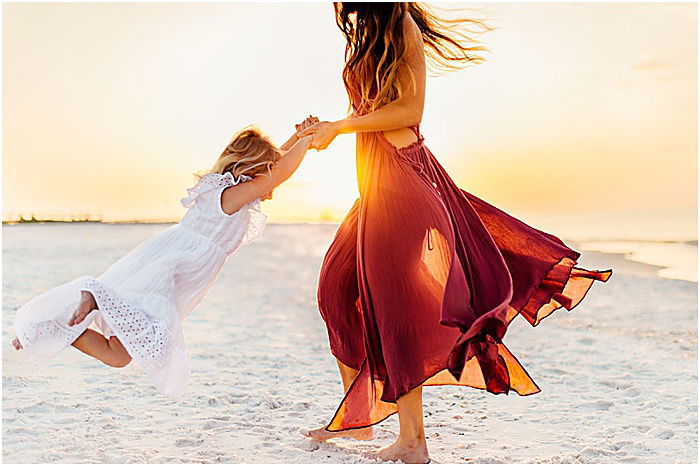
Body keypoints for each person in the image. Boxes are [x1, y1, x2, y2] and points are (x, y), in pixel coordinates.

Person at [300, 3, 612, 463]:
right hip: (374, 185)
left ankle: (413, 442)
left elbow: (410, 110)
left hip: (402, 180)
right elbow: (369, 109)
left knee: (394, 305)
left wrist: (342, 126)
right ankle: (362, 418)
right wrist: (326, 128)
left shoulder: (400, 23)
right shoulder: (367, 30)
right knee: (335, 290)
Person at [12, 117, 318, 397]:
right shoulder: (229, 196)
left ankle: (47, 328)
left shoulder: (221, 190)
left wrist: (297, 136)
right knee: (131, 350)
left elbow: (275, 167)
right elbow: (278, 175)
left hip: (165, 263)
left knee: (118, 355)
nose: (270, 192)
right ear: (251, 170)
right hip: (171, 271)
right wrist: (310, 139)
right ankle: (93, 294)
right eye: (266, 173)